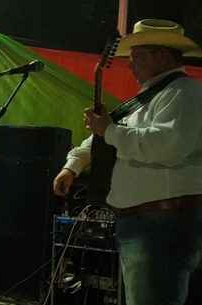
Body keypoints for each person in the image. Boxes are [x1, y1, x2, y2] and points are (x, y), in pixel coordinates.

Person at [52, 19, 202, 305]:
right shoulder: (152, 97)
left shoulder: (185, 93)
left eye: (137, 56)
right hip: (148, 223)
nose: (130, 64)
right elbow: (108, 137)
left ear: (163, 55)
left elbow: (166, 145)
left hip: (162, 224)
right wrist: (74, 164)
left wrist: (108, 130)